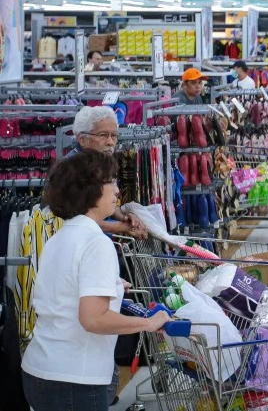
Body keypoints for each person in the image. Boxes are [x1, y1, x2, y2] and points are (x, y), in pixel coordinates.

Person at [21, 151, 171, 411]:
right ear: (89, 189)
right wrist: (149, 323)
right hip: (75, 380)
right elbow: (93, 319)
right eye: (110, 182)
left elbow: (66, 288)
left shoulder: (59, 238)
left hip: (39, 371)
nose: (117, 191)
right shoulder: (96, 243)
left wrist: (111, 285)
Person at [69, 107, 146, 238]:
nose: (110, 142)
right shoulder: (72, 169)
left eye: (114, 136)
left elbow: (104, 201)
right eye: (103, 135)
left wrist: (123, 217)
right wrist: (120, 227)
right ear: (82, 139)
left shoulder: (100, 163)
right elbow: (75, 220)